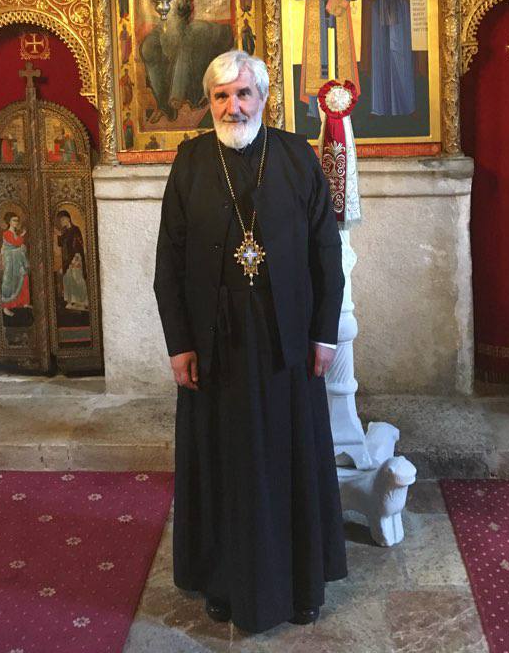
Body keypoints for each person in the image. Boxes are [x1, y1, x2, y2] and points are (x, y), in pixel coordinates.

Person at [154, 49, 347, 633]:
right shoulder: (191, 162)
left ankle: (301, 583)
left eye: (243, 94)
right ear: (209, 102)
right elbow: (169, 260)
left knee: (290, 458)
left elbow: (325, 252)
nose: (232, 106)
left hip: (286, 341)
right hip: (215, 344)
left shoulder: (295, 156)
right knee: (224, 461)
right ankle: (223, 581)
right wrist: (179, 343)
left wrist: (324, 334)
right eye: (221, 96)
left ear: (263, 98)